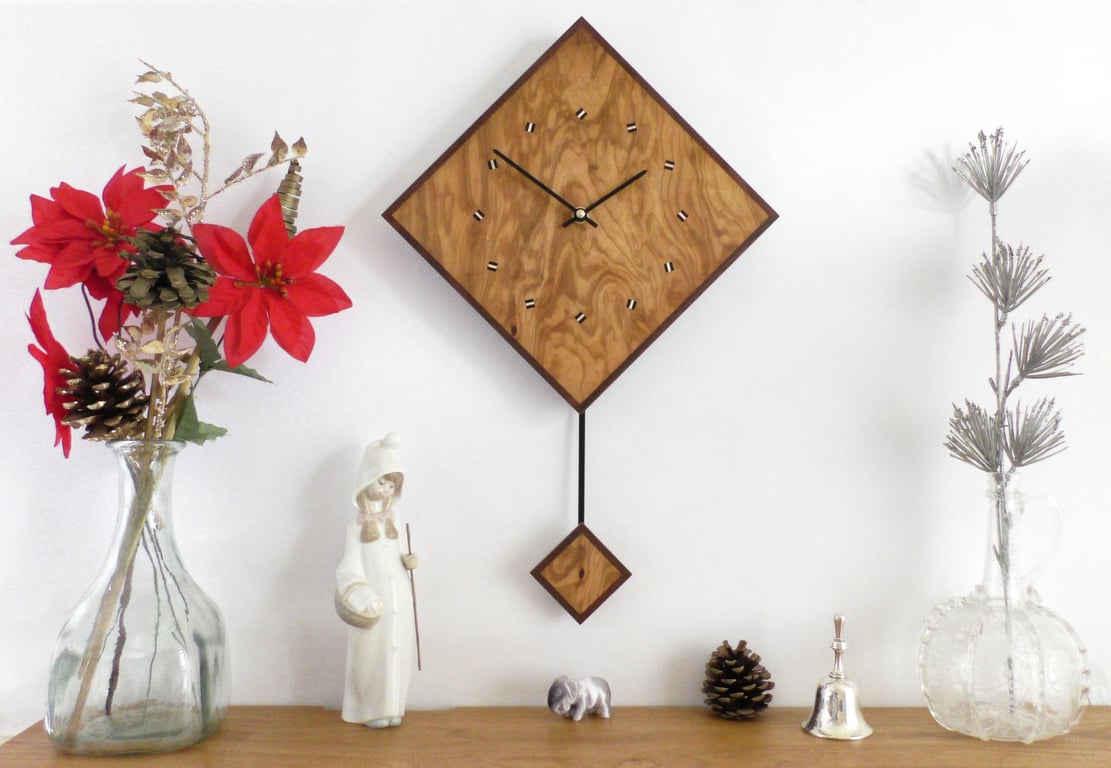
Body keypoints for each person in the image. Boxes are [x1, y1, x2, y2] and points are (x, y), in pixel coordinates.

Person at [335, 433, 418, 727]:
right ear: (367, 479)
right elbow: (349, 568)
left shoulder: (393, 522)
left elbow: (393, 557)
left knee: (397, 651)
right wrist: (362, 595)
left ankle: (394, 705)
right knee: (371, 655)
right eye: (382, 481)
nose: (386, 489)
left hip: (400, 601)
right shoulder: (356, 528)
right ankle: (370, 708)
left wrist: (406, 561)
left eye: (392, 484)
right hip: (375, 604)